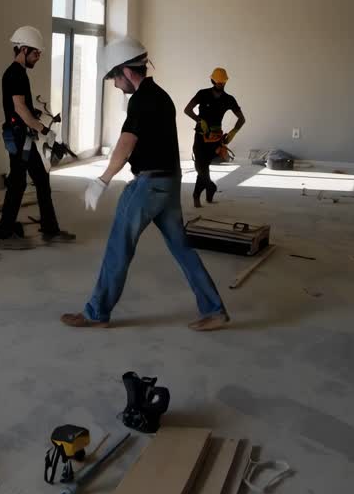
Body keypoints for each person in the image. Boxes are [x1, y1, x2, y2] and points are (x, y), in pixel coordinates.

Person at [61, 37, 230, 331]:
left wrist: (102, 180)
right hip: (170, 182)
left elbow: (126, 144)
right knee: (182, 249)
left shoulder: (141, 101)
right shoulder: (161, 96)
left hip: (149, 184)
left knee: (119, 246)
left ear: (127, 71)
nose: (115, 85)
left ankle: (96, 313)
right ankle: (214, 310)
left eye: (115, 77)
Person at [0, 26, 75, 250]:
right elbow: (19, 108)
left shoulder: (18, 73)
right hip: (18, 137)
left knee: (40, 179)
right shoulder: (15, 74)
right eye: (36, 53)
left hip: (22, 136)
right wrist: (44, 130)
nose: (38, 57)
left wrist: (34, 117)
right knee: (17, 183)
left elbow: (21, 106)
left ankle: (49, 229)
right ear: (24, 49)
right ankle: (6, 234)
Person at [184, 68, 245, 208]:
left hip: (215, 138)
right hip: (201, 136)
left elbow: (242, 119)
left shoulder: (229, 99)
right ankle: (210, 187)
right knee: (200, 167)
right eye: (218, 81)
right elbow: (187, 110)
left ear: (225, 81)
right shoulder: (202, 94)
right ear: (212, 80)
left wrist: (233, 132)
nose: (220, 84)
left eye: (222, 82)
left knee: (203, 167)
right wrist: (199, 120)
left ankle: (197, 195)